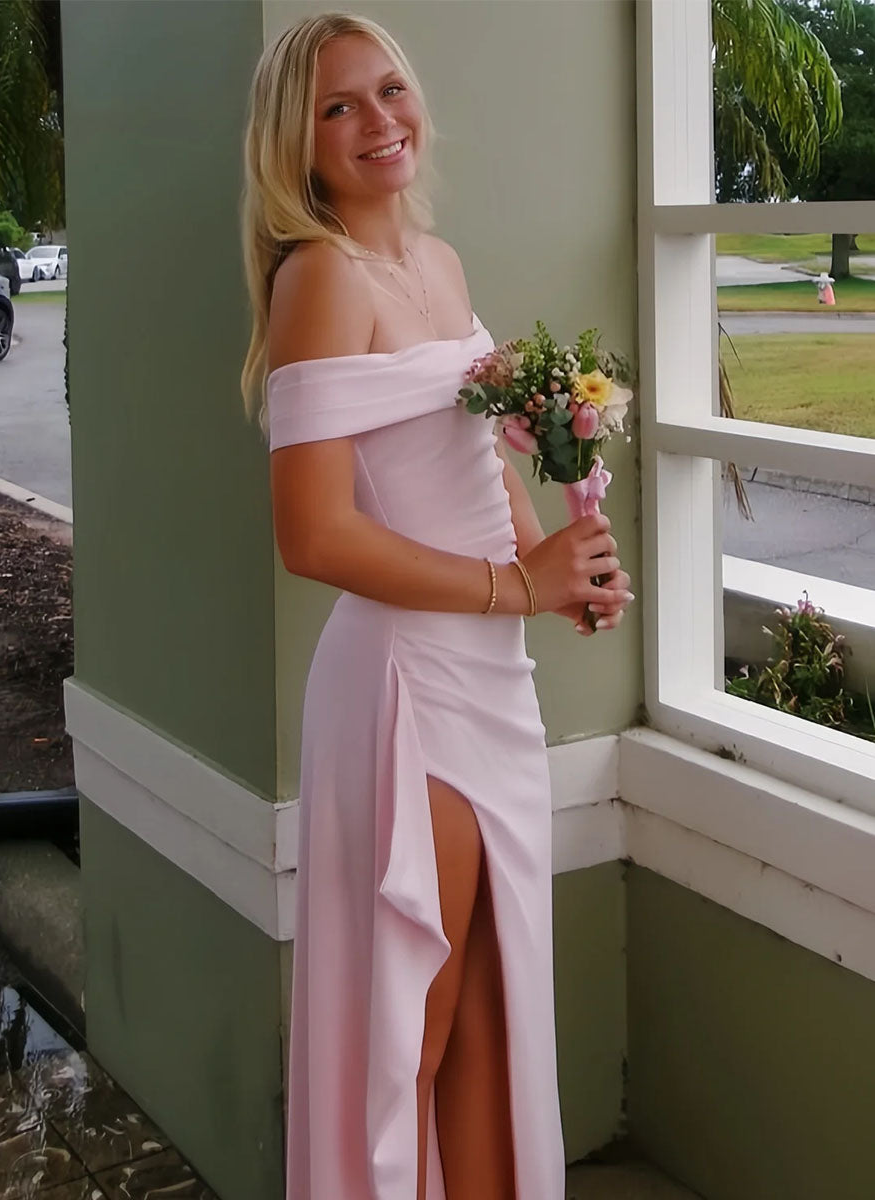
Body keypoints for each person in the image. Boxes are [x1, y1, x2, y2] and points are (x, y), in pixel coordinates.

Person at [239, 13, 633, 1199]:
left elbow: (469, 463)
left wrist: (557, 570)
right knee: (416, 1021)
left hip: (491, 675)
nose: (378, 120)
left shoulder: (441, 263)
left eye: (389, 89)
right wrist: (516, 585)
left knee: (491, 1009)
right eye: (338, 107)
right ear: (298, 146)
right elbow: (313, 535)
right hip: (407, 687)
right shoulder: (320, 279)